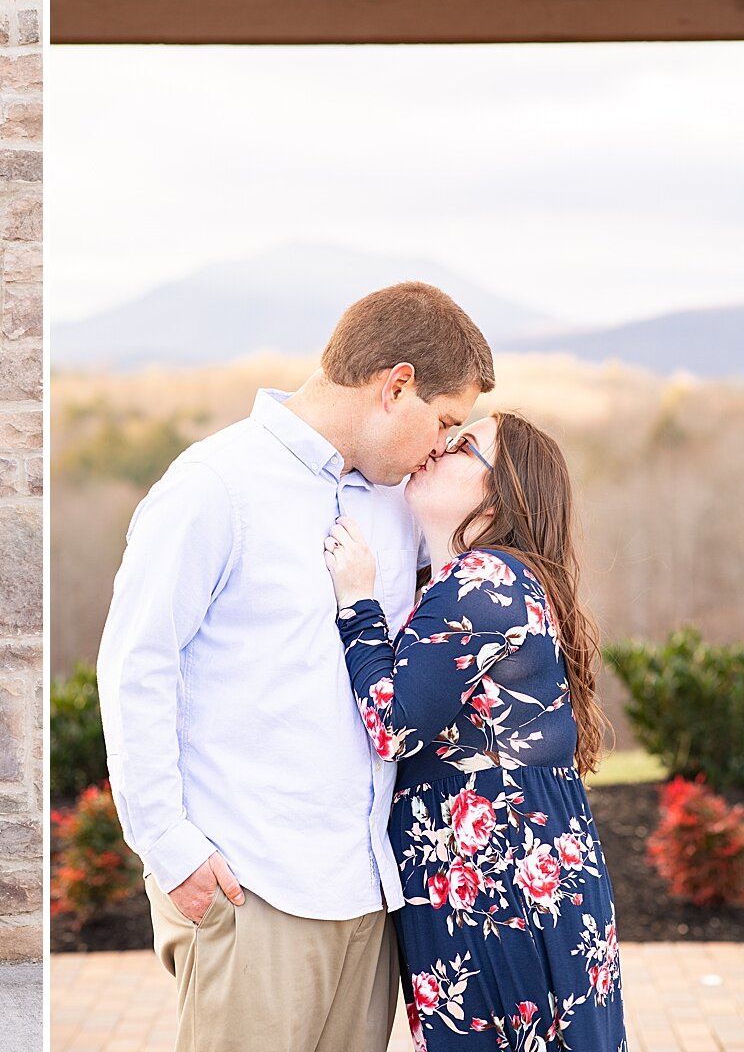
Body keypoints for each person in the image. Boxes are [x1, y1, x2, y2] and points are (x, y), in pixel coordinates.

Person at [97, 282, 496, 1052]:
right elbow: (136, 667)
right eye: (443, 422)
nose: (441, 447)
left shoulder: (395, 501)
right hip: (253, 888)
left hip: (370, 894)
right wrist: (170, 849)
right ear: (396, 385)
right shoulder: (216, 486)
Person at [324, 411, 626, 1051]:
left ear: (500, 495)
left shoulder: (483, 581)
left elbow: (393, 725)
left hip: (499, 887)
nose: (436, 448)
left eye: (462, 447)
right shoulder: (494, 580)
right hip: (515, 876)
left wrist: (357, 603)